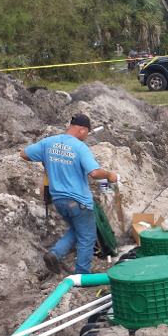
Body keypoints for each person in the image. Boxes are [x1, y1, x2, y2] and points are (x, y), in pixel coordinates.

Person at [20, 113, 118, 275]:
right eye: (87, 132)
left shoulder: (49, 142)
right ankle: (82, 275)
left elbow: (24, 154)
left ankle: (55, 254)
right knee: (87, 236)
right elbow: (94, 173)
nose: (86, 136)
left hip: (59, 201)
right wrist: (109, 175)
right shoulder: (80, 148)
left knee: (77, 229)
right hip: (78, 200)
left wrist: (46, 160)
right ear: (82, 130)